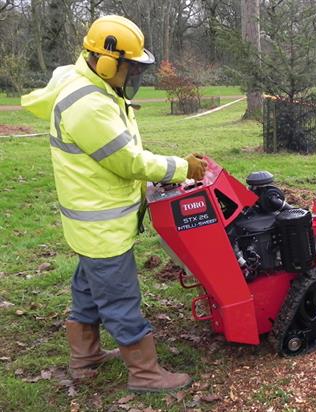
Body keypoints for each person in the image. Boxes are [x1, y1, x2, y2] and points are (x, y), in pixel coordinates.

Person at [21, 15, 205, 392]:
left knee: (88, 286)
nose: (133, 75)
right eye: (130, 67)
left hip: (88, 220)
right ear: (105, 62)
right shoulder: (88, 105)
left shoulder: (87, 82)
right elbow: (129, 161)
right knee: (120, 297)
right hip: (101, 224)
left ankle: (85, 356)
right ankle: (146, 373)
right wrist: (182, 167)